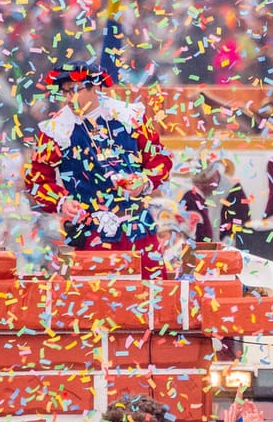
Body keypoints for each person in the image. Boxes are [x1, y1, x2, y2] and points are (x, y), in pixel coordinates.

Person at [24, 61, 172, 275]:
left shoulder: (129, 117)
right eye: (65, 93)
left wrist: (144, 181)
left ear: (94, 87)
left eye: (74, 91)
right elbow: (37, 181)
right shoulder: (56, 130)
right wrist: (62, 202)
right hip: (91, 231)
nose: (69, 99)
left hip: (138, 228)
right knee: (95, 300)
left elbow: (160, 158)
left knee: (153, 295)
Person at [179, 156, 250, 244]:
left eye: (205, 183)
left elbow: (240, 225)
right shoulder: (187, 191)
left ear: (215, 174)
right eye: (198, 184)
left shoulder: (232, 189)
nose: (201, 188)